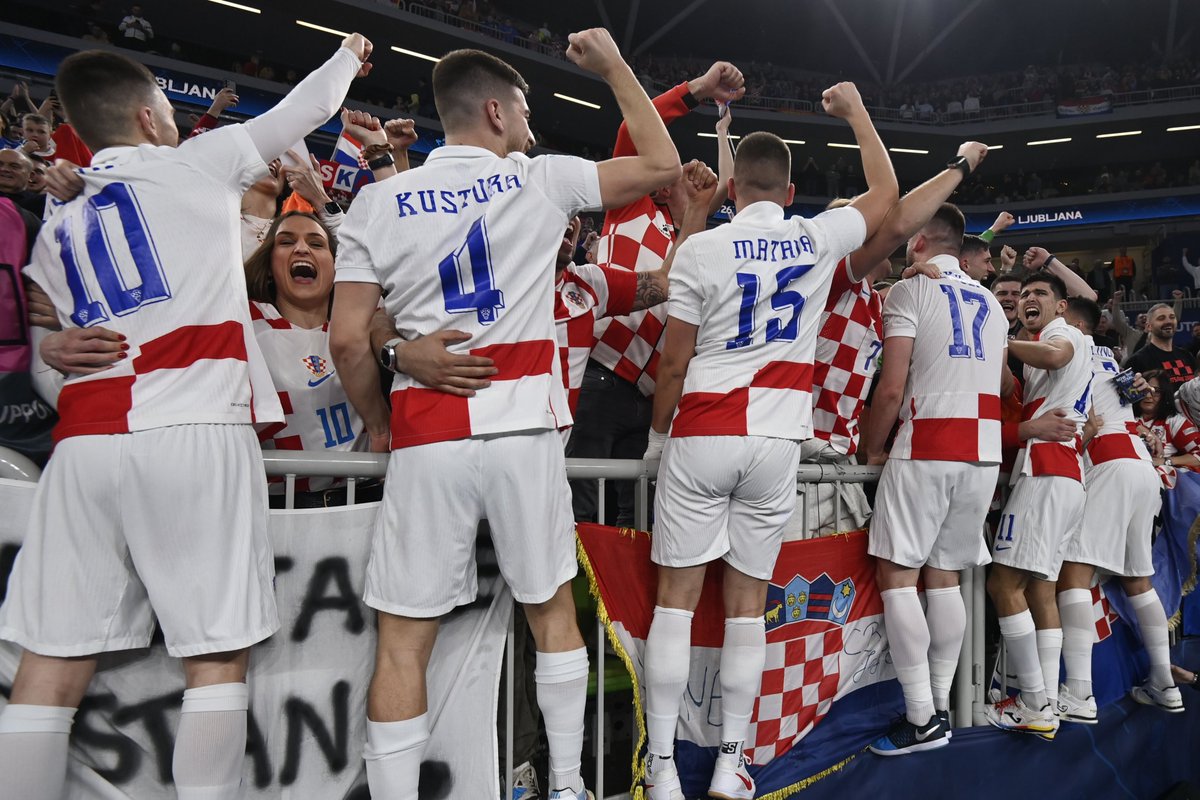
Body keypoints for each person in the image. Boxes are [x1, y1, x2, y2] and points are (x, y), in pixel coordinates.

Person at [0, 35, 371, 800]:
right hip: (193, 427)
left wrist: (57, 353)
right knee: (215, 659)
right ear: (149, 116)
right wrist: (348, 54)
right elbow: (309, 107)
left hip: (84, 445)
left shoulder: (57, 221)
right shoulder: (194, 164)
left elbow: (45, 360)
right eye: (169, 110)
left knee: (49, 665)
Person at [328, 30, 680, 800]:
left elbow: (349, 336)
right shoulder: (537, 180)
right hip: (522, 429)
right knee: (552, 614)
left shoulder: (378, 200)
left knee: (402, 644)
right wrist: (619, 67)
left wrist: (384, 408)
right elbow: (659, 166)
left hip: (428, 433)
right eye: (522, 110)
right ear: (495, 111)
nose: (528, 125)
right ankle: (563, 787)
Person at [640, 81, 898, 800]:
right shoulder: (814, 236)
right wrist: (855, 112)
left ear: (730, 189)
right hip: (780, 440)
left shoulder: (701, 249)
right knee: (749, 605)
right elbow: (886, 192)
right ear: (788, 192)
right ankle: (731, 764)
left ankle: (662, 771)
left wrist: (657, 444)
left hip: (704, 431)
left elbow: (672, 362)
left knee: (676, 603)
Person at [863, 202, 1009, 755]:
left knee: (900, 578)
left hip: (927, 442)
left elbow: (892, 386)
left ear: (923, 239)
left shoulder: (912, 292)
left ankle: (920, 717)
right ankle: (942, 708)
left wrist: (875, 449)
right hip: (983, 450)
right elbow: (999, 385)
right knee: (944, 578)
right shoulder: (993, 302)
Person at [570, 61, 742, 526]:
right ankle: (569, 599)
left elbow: (730, 185)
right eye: (681, 170)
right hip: (601, 378)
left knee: (633, 518)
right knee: (580, 508)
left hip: (651, 397)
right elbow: (633, 128)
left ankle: (617, 601)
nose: (691, 173)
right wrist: (699, 89)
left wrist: (724, 131)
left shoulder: (700, 245)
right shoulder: (630, 208)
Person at [789, 142, 988, 539]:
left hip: (836, 461)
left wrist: (908, 285)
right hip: (799, 459)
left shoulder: (874, 300)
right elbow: (898, 224)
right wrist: (960, 165)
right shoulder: (829, 279)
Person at [1056, 298, 1183, 723]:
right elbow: (1133, 398)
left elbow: (1086, 421)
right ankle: (1164, 683)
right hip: (1141, 466)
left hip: (1107, 462)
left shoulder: (1067, 346)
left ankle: (1078, 693)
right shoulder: (1109, 357)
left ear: (1070, 321)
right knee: (1137, 578)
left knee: (1072, 572)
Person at [985, 272, 1092, 741]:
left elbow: (1053, 354)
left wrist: (997, 338)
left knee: (1002, 584)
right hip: (1064, 474)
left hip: (1045, 473)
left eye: (1039, 294)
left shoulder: (1060, 334)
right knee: (1041, 588)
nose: (1028, 299)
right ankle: (1045, 698)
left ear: (1061, 306)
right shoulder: (1037, 355)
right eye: (1024, 294)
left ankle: (1032, 702)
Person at [1124, 302, 1196, 384]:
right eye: (1161, 318)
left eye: (1172, 317)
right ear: (1149, 327)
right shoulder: (1137, 361)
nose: (1168, 321)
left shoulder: (1187, 356)